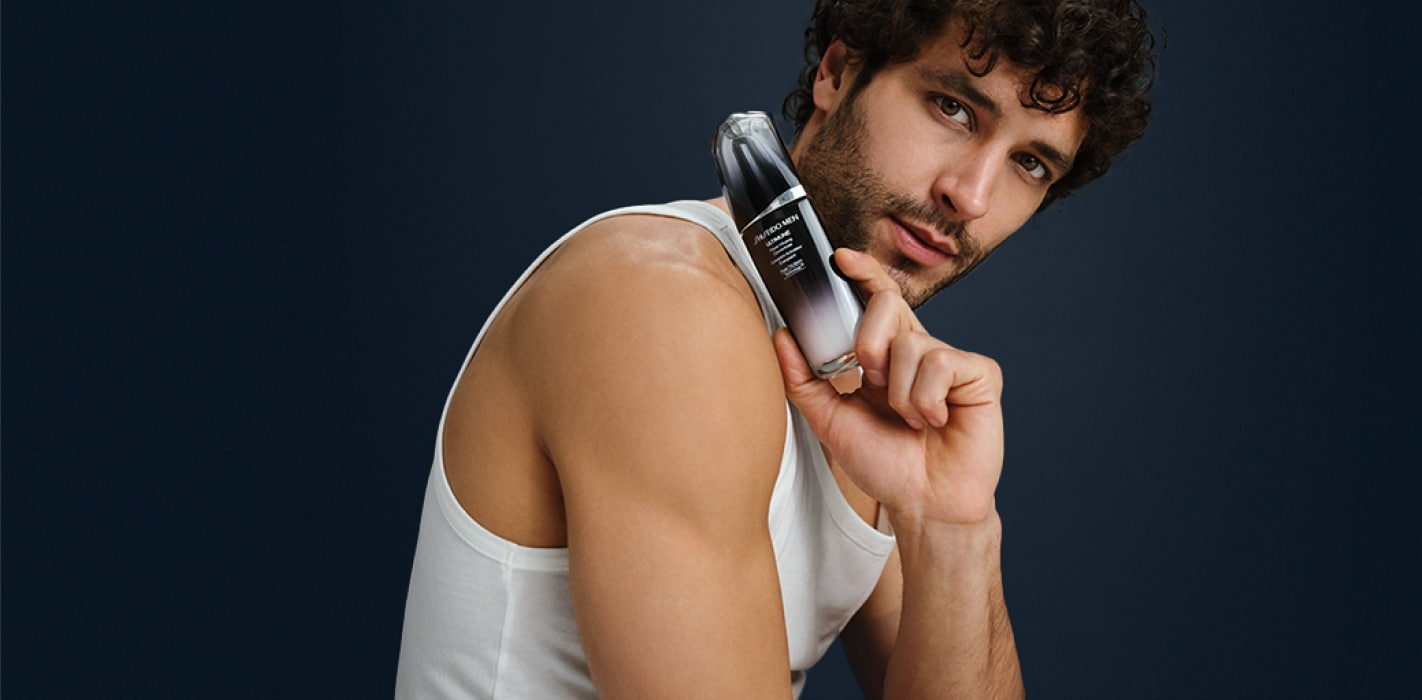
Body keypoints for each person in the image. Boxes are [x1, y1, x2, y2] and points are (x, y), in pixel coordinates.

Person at [396, 0, 1156, 696]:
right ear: (837, 72)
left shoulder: (862, 374)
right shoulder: (662, 304)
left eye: (1030, 163)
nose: (973, 194)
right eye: (954, 108)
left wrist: (956, 528)